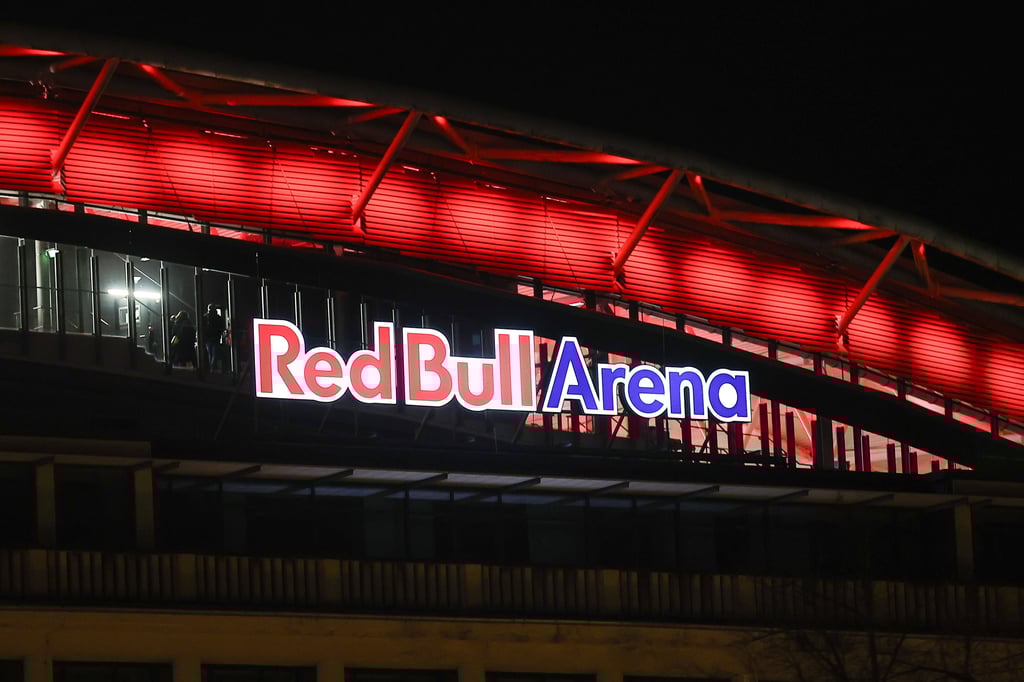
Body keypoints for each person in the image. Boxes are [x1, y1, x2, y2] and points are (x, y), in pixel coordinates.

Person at [202, 304, 226, 371]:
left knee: (210, 353)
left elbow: (202, 327)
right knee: (214, 354)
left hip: (208, 338)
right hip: (216, 337)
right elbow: (222, 327)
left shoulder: (205, 317)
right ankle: (212, 368)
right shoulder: (218, 318)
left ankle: (211, 368)